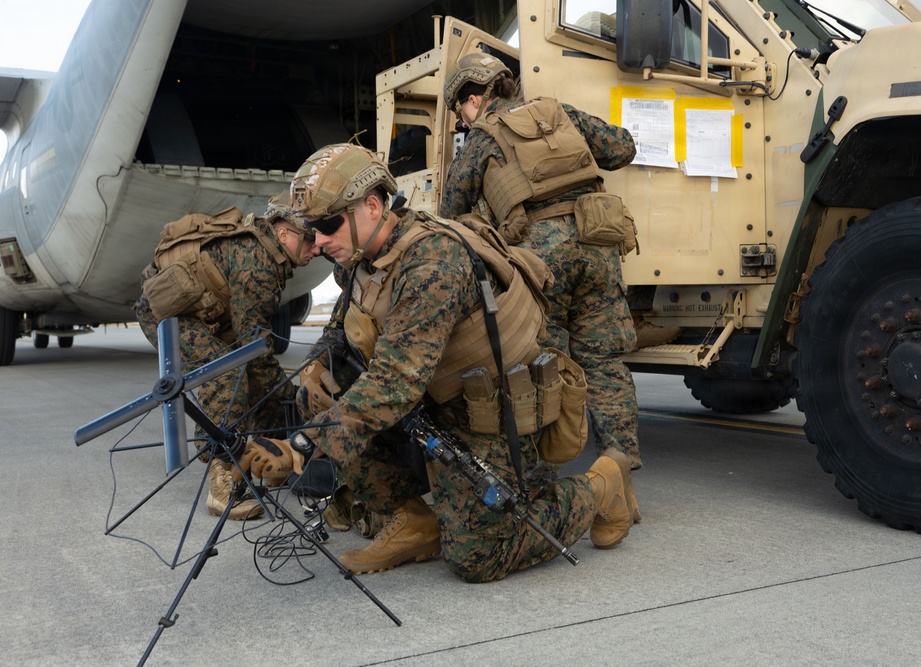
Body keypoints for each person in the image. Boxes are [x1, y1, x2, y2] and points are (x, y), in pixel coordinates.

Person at [236, 143, 636, 582]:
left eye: (328, 225)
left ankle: (602, 486)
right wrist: (316, 367)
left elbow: (395, 382)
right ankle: (412, 520)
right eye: (311, 230)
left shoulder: (432, 264)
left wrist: (302, 445)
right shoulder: (359, 258)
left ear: (372, 206)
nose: (319, 241)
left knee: (478, 555)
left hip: (487, 413)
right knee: (321, 391)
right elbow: (340, 330)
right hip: (433, 397)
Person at [439, 53, 676, 509]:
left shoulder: (481, 138)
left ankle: (542, 491)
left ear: (472, 99)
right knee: (604, 364)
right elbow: (622, 148)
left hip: (540, 262)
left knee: (543, 369)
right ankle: (620, 482)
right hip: (598, 248)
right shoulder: (557, 112)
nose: (463, 121)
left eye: (460, 112)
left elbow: (451, 214)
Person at [134, 193, 320, 520]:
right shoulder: (259, 263)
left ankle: (270, 459)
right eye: (310, 239)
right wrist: (291, 396)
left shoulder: (265, 252)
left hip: (201, 314)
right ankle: (222, 484)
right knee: (226, 375)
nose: (317, 248)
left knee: (253, 377)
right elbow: (254, 347)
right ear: (284, 233)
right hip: (166, 318)